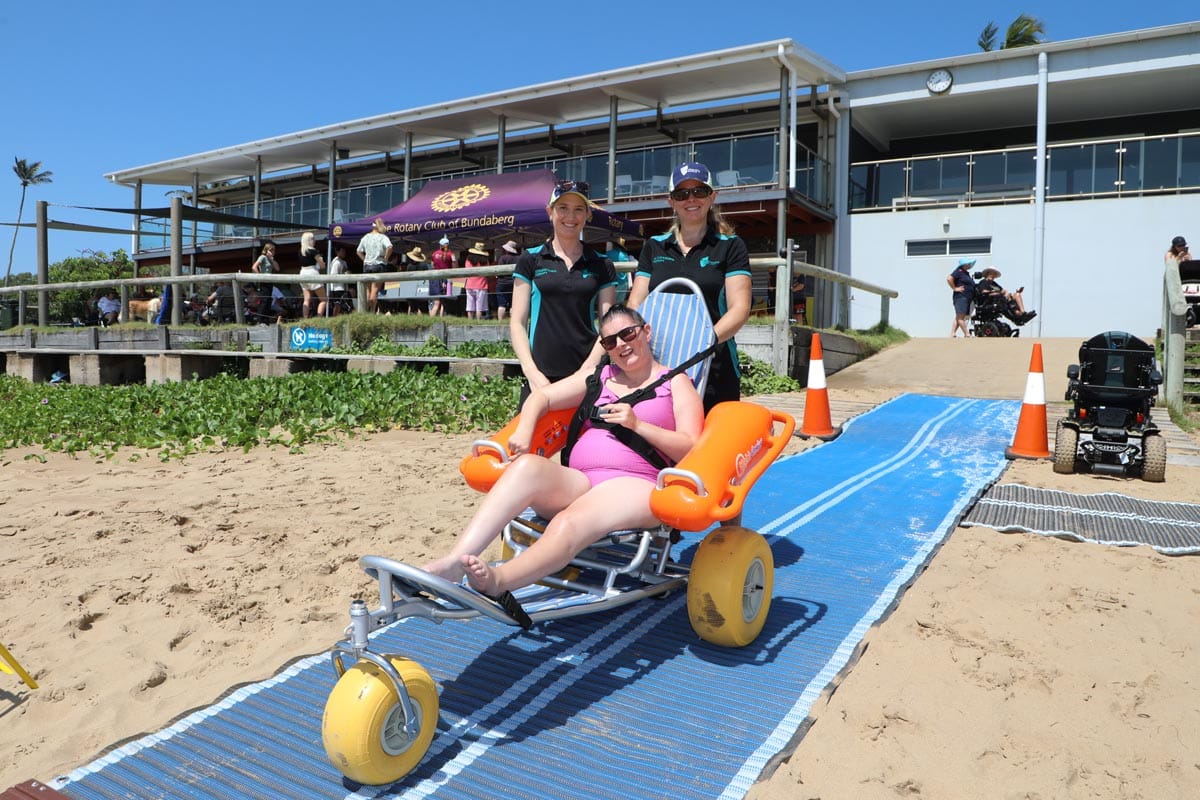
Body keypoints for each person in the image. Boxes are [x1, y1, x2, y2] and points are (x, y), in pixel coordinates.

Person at [423, 305, 703, 598]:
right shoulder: (599, 377)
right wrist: (524, 430)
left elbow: (690, 446)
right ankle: (456, 562)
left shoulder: (675, 382)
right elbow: (542, 397)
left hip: (635, 484)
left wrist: (638, 424)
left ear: (645, 332)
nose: (621, 345)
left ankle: (499, 580)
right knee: (526, 467)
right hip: (580, 480)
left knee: (570, 521)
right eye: (610, 341)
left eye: (628, 334)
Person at [628, 161, 752, 413]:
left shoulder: (730, 246)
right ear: (671, 202)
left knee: (715, 449)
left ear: (711, 197)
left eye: (699, 191)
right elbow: (635, 304)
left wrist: (700, 345)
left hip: (715, 365)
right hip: (660, 364)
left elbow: (739, 309)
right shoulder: (654, 246)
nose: (691, 199)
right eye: (682, 194)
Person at [511, 180, 618, 404]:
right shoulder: (531, 259)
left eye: (578, 209)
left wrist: (589, 367)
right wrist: (531, 372)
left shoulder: (601, 264)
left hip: (586, 374)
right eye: (563, 208)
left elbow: (609, 326)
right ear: (550, 212)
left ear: (588, 214)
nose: (570, 217)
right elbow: (517, 322)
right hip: (541, 377)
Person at [356, 219, 393, 313]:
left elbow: (358, 251)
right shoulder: (382, 237)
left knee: (368, 292)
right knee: (375, 291)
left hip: (367, 266)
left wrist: (365, 259)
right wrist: (386, 257)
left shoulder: (366, 237)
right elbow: (390, 247)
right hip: (379, 265)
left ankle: (365, 311)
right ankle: (372, 311)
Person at [297, 231, 326, 319]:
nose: (315, 240)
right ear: (309, 240)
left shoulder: (300, 251)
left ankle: (305, 318)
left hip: (302, 273)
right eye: (313, 238)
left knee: (306, 299)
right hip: (313, 273)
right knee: (324, 299)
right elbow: (322, 265)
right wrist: (322, 262)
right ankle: (319, 318)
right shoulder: (313, 251)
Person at [947, 257, 976, 338]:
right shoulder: (958, 271)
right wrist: (955, 288)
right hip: (961, 297)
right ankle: (967, 334)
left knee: (959, 317)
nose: (970, 265)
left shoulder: (965, 273)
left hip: (966, 298)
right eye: (968, 263)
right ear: (964, 264)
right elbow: (949, 278)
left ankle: (952, 333)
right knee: (960, 317)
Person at [320, 246, 351, 317]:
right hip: (336, 288)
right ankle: (335, 318)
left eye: (344, 251)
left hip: (344, 287)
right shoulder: (336, 262)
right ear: (337, 252)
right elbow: (333, 275)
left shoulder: (344, 262)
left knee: (344, 304)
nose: (344, 253)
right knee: (338, 304)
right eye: (342, 251)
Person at [429, 236, 455, 317]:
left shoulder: (434, 254)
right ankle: (440, 320)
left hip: (435, 279)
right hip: (446, 279)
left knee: (436, 302)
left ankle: (432, 321)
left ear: (440, 245)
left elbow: (432, 265)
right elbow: (455, 265)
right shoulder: (451, 254)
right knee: (443, 302)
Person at [464, 242, 491, 320]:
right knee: (479, 306)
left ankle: (470, 321)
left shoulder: (468, 260)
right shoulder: (485, 261)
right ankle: (478, 321)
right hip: (481, 285)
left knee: (469, 305)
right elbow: (488, 272)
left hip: (469, 284)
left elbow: (466, 271)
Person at [494, 240, 519, 321]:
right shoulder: (518, 258)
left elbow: (498, 271)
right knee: (513, 304)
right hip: (513, 283)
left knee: (501, 304)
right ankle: (513, 321)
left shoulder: (503, 258)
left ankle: (500, 321)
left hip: (502, 283)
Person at [403, 246, 428, 315]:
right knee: (424, 308)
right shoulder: (424, 265)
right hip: (422, 287)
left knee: (413, 307)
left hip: (411, 288)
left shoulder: (409, 266)